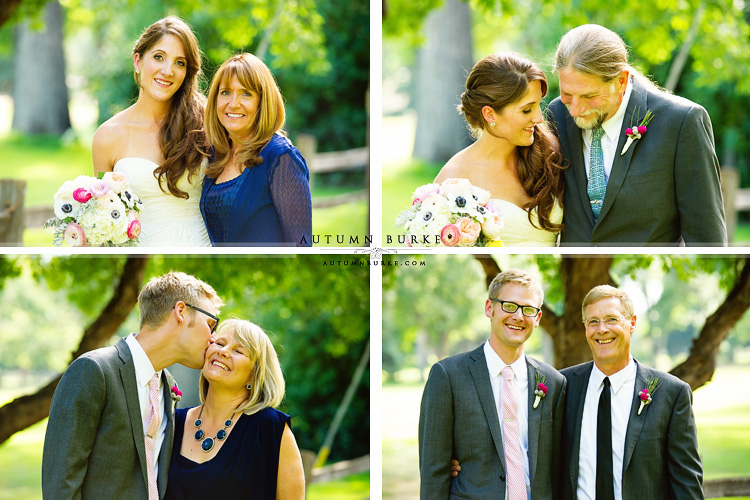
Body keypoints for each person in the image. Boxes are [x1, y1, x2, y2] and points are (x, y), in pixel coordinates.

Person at [42, 272, 223, 499]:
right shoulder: (94, 370)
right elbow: (61, 488)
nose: (213, 338)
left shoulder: (168, 386)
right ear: (181, 312)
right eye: (210, 324)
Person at [547, 24, 727, 246]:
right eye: (567, 93)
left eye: (589, 96)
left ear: (621, 81)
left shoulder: (681, 122)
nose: (574, 109)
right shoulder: (554, 115)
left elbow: (706, 237)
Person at [419, 269, 566, 499]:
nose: (518, 316)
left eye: (528, 309)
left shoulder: (553, 382)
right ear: (490, 308)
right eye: (509, 305)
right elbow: (433, 472)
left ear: (537, 318)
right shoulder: (448, 376)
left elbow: (557, 466)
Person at [560, 285, 703, 500]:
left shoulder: (671, 394)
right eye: (593, 322)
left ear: (632, 323)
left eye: (611, 319)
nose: (602, 329)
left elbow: (686, 484)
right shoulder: (563, 386)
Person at [93, 16, 211, 247]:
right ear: (138, 61)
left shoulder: (206, 123)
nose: (168, 70)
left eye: (180, 62)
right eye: (159, 57)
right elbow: (103, 217)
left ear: (187, 72)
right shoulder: (107, 137)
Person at [433, 52, 566, 246]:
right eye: (527, 110)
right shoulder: (454, 179)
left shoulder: (549, 151)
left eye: (539, 105)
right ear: (490, 114)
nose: (539, 118)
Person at [165, 319, 305, 499]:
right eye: (219, 343)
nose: (223, 351)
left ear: (255, 375)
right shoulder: (173, 421)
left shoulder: (270, 427)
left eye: (238, 350)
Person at [200, 53, 312, 246]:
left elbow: (301, 245)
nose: (233, 103)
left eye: (246, 94)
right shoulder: (215, 154)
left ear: (263, 102)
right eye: (225, 92)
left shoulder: (281, 158)